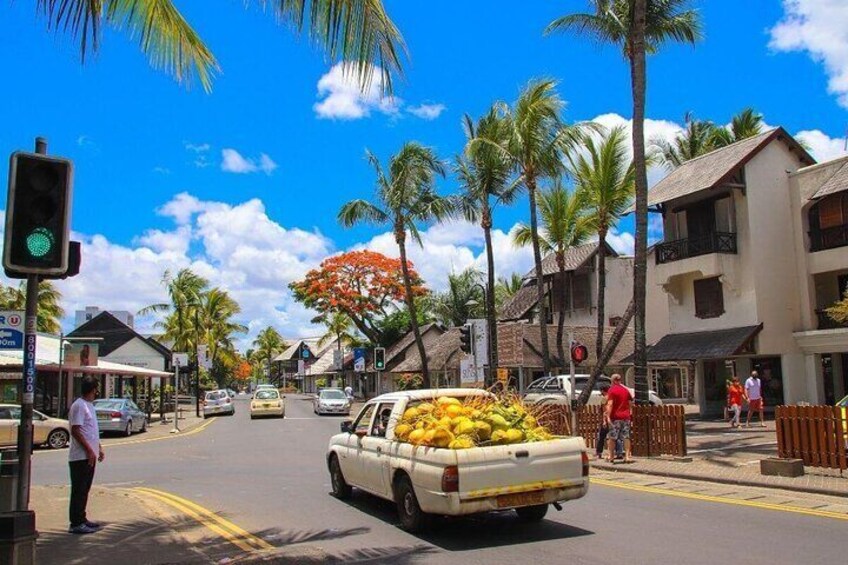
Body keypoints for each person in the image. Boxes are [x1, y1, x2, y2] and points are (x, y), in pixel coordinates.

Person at [68, 375, 105, 534]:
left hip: (90, 456)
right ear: (93, 390)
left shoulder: (89, 405)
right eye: (96, 389)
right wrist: (89, 450)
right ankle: (76, 523)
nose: (97, 392)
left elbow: (91, 430)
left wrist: (99, 448)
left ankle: (82, 518)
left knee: (85, 489)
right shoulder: (79, 406)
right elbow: (75, 430)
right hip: (80, 457)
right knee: (79, 490)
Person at [605, 373, 633, 463]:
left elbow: (610, 404)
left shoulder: (611, 390)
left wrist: (608, 417)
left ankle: (611, 456)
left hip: (615, 417)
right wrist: (629, 413)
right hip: (625, 417)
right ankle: (627, 456)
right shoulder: (625, 390)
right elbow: (630, 403)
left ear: (612, 381)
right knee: (626, 437)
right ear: (620, 380)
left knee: (612, 437)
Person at [596, 385, 624, 460]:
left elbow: (605, 411)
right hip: (615, 419)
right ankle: (619, 453)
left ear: (602, 391)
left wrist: (604, 421)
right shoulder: (614, 398)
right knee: (616, 437)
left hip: (608, 420)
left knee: (601, 436)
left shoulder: (604, 399)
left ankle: (599, 453)